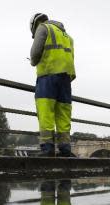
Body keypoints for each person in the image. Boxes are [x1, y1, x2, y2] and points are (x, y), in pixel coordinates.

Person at [29, 13, 76, 157]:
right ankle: (65, 148)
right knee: (63, 114)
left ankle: (47, 148)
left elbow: (35, 55)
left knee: (46, 111)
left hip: (48, 76)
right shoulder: (67, 36)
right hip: (65, 79)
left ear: (34, 25)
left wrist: (32, 62)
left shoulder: (43, 28)